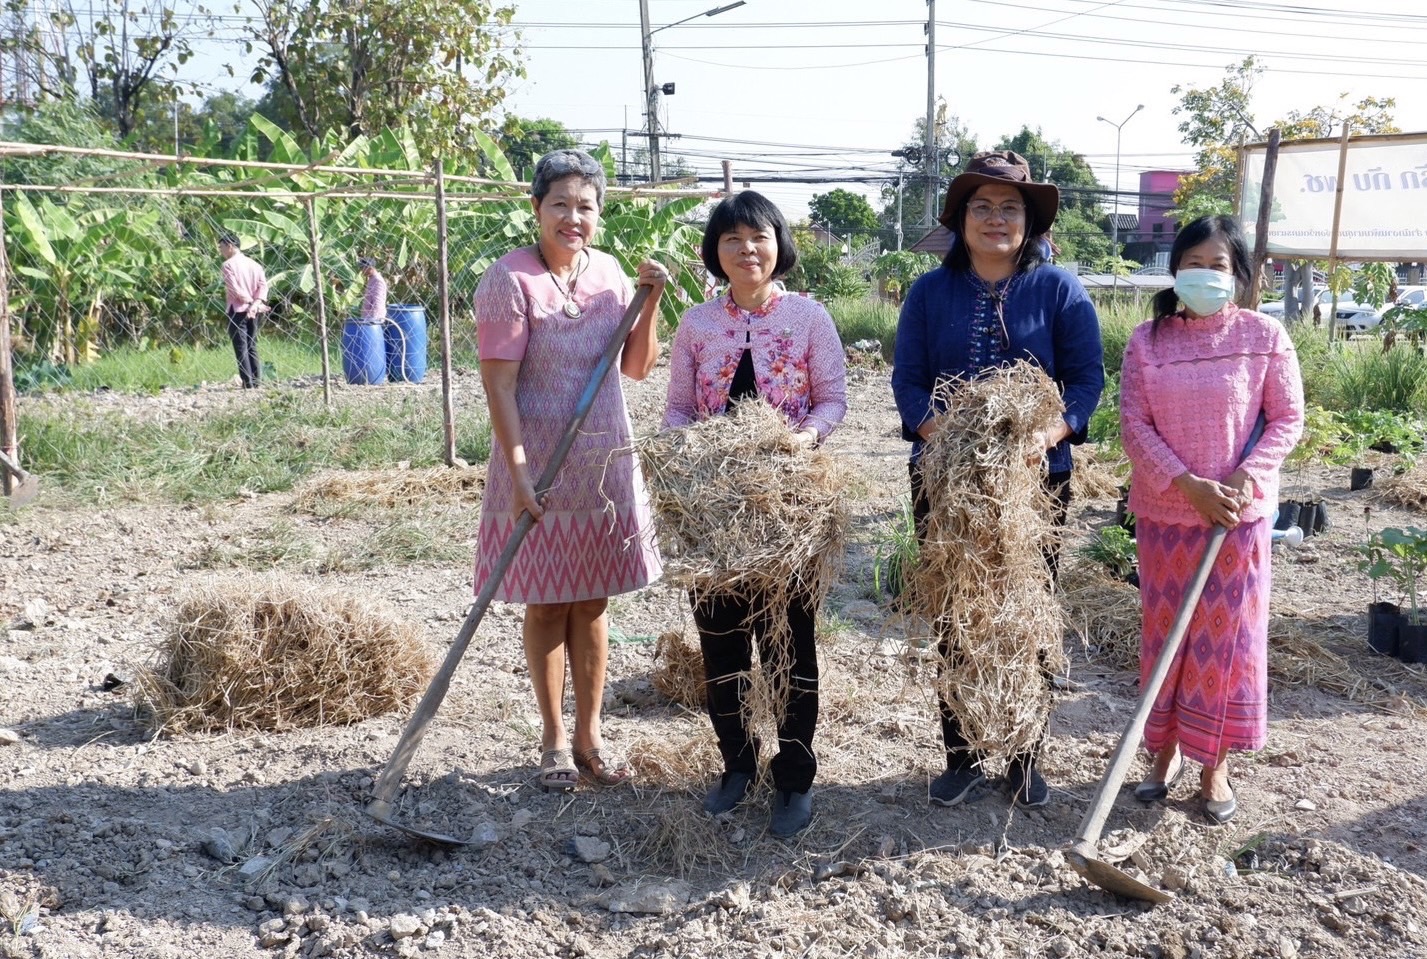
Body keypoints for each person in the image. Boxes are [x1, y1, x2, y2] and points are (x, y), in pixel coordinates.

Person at [891, 150, 1105, 809]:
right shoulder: (930, 292)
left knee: (1024, 615)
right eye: (980, 207)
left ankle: (1021, 756)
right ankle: (959, 754)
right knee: (956, 612)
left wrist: (1043, 437)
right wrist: (949, 441)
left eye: (1008, 208)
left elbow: (1085, 381)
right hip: (945, 480)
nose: (994, 219)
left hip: (1033, 486)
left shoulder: (1059, 290)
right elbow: (908, 382)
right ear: (959, 219)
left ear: (1029, 220)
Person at [472, 149, 670, 793]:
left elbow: (637, 366)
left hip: (601, 460)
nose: (572, 217)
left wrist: (652, 299)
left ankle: (591, 736)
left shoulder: (612, 275)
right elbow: (499, 388)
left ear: (599, 215)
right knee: (548, 601)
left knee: (592, 602)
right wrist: (520, 471)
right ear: (536, 209)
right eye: (560, 203)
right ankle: (553, 740)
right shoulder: (509, 281)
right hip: (536, 464)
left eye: (585, 206)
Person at [663, 191, 847, 838]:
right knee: (720, 641)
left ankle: (793, 776)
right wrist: (685, 452)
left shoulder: (807, 318)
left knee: (788, 642)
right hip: (713, 508)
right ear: (715, 251)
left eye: (759, 237)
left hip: (787, 505)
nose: (747, 250)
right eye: (732, 239)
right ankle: (736, 764)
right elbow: (680, 410)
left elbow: (831, 402)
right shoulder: (696, 323)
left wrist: (800, 441)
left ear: (779, 244)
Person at [1119, 214, 1304, 824]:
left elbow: (1286, 419)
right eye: (1193, 264)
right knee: (1166, 639)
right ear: (1175, 270)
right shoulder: (1148, 342)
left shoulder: (1264, 335)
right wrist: (1186, 484)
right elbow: (1134, 426)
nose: (1204, 275)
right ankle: (1162, 755)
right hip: (1166, 516)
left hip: (1238, 520)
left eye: (1218, 265)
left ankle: (1214, 764)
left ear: (1240, 276)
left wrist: (1243, 478)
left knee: (1224, 642)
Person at [218, 232, 270, 388]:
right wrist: (256, 304)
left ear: (230, 246)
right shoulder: (255, 264)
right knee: (252, 344)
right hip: (255, 310)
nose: (220, 251)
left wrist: (249, 303)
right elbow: (263, 286)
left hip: (238, 310)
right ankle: (256, 381)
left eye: (221, 247)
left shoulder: (228, 265)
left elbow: (235, 290)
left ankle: (248, 383)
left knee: (241, 347)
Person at [358, 256, 388, 324]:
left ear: (369, 268)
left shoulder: (377, 281)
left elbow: (377, 303)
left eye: (362, 268)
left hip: (373, 320)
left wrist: (372, 321)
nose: (361, 271)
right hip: (368, 319)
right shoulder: (372, 279)